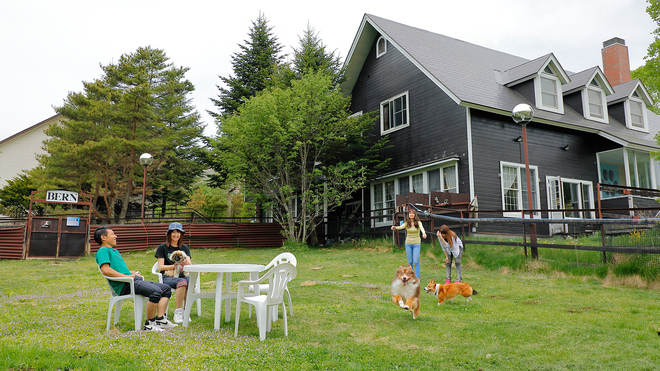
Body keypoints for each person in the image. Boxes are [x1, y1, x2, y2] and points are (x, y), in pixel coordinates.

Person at [94, 226, 176, 331]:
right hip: (125, 284)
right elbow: (106, 270)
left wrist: (132, 273)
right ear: (103, 237)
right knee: (156, 291)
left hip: (131, 280)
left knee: (166, 288)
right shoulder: (103, 250)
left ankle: (160, 319)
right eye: (112, 234)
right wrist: (127, 277)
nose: (116, 236)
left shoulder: (114, 251)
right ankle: (149, 324)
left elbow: (120, 270)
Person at [155, 222, 192, 324]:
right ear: (169, 234)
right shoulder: (163, 247)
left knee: (189, 281)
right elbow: (161, 267)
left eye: (178, 232)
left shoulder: (185, 248)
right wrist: (174, 266)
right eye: (174, 232)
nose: (176, 235)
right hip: (168, 276)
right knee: (183, 282)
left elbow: (188, 262)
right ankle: (178, 311)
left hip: (182, 274)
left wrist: (184, 261)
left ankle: (186, 311)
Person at [391, 208, 427, 278]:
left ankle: (417, 278)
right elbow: (400, 227)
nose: (411, 215)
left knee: (416, 261)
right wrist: (395, 227)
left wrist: (424, 233)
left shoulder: (418, 223)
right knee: (410, 262)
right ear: (408, 215)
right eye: (410, 213)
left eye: (413, 213)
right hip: (408, 244)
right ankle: (411, 277)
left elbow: (422, 228)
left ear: (415, 214)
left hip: (416, 243)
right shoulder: (406, 223)